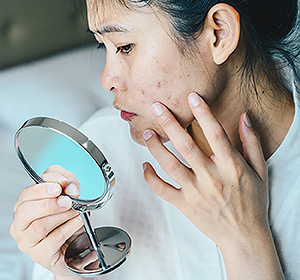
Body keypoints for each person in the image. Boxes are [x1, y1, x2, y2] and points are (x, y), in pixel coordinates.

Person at [10, 0, 300, 279]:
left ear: (219, 33)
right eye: (103, 46)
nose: (106, 80)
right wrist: (72, 275)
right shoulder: (98, 158)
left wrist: (246, 242)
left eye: (125, 46)